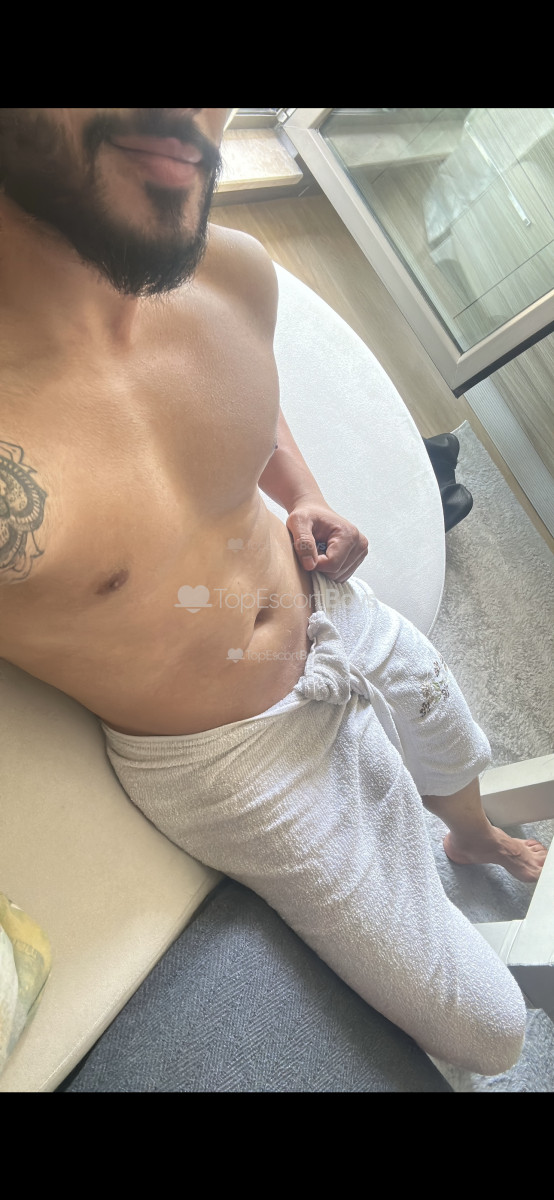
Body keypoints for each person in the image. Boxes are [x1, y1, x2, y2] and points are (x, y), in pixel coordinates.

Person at [0, 108, 547, 1075]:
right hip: (231, 757)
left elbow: (251, 392)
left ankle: (475, 839)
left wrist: (305, 495)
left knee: (455, 739)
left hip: (329, 609)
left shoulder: (230, 269)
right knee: (494, 1032)